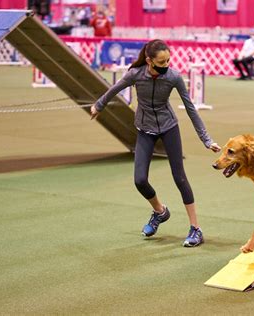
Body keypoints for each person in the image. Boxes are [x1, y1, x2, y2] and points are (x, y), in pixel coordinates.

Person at [90, 39, 221, 247]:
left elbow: (190, 108)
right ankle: (160, 211)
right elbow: (114, 88)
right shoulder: (136, 74)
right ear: (149, 61)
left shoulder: (173, 77)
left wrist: (206, 139)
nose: (166, 65)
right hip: (145, 129)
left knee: (180, 178)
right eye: (162, 62)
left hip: (169, 127)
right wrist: (99, 105)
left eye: (169, 60)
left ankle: (196, 229)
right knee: (140, 180)